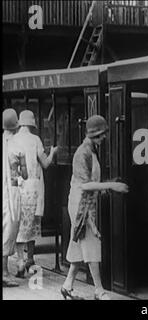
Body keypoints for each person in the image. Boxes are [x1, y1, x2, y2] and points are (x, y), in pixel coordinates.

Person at [61, 115, 129, 300]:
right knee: (91, 243)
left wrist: (108, 185)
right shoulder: (82, 153)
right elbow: (85, 185)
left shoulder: (92, 150)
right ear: (94, 135)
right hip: (80, 205)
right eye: (102, 134)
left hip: (85, 203)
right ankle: (99, 290)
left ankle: (67, 285)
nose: (104, 137)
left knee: (79, 246)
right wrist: (111, 186)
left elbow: (92, 182)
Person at [14, 110, 58, 277]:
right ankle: (30, 259)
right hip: (34, 187)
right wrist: (52, 152)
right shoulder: (35, 140)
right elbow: (45, 164)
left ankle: (19, 261)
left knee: (19, 225)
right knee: (32, 225)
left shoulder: (13, 140)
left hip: (18, 187)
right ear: (32, 124)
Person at [3, 108, 28, 287]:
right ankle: (4, 272)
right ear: (16, 126)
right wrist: (17, 174)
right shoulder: (18, 147)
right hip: (11, 193)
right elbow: (25, 175)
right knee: (9, 230)